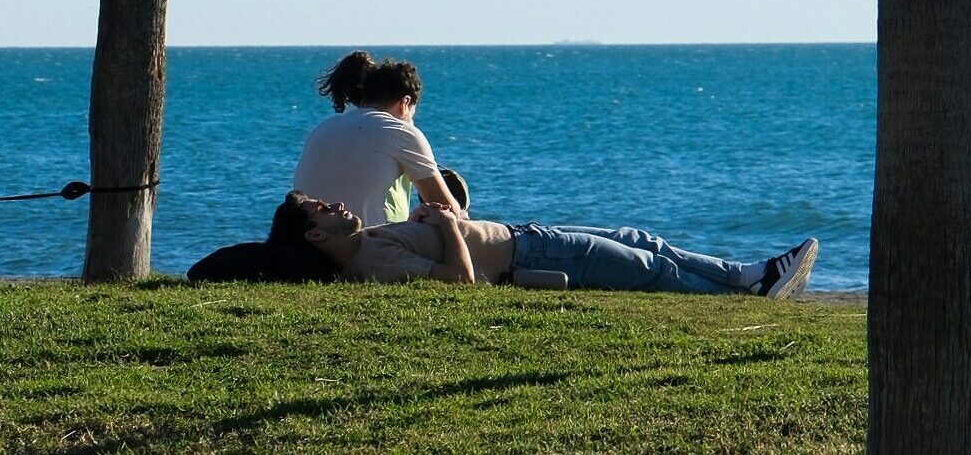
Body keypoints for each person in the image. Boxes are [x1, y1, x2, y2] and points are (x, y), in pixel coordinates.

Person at [267, 192, 819, 298]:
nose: (337, 205)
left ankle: (748, 274)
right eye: (322, 209)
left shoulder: (368, 238)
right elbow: (461, 283)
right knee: (647, 267)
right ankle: (743, 291)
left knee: (640, 239)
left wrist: (430, 219)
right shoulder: (370, 262)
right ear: (315, 234)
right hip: (529, 257)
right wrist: (452, 227)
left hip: (526, 237)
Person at [293, 51, 464, 227]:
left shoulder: (322, 129)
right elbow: (448, 210)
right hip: (363, 245)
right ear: (405, 103)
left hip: (309, 242)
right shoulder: (401, 132)